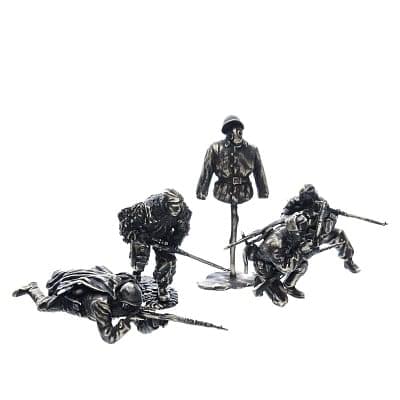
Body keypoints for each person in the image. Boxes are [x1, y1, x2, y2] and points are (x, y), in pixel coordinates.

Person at [12, 266, 166, 343]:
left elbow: (140, 325)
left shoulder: (125, 288)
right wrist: (126, 322)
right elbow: (109, 337)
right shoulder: (101, 305)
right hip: (73, 301)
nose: (133, 310)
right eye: (129, 307)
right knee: (42, 305)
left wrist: (153, 323)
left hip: (94, 295)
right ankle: (32, 288)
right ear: (121, 302)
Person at [118, 189, 192, 302]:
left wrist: (173, 243)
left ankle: (162, 286)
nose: (177, 210)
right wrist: (139, 235)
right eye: (173, 206)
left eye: (178, 206)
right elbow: (128, 220)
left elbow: (181, 229)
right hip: (143, 233)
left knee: (167, 260)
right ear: (166, 204)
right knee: (139, 255)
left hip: (164, 235)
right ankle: (137, 275)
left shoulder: (183, 212)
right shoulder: (148, 207)